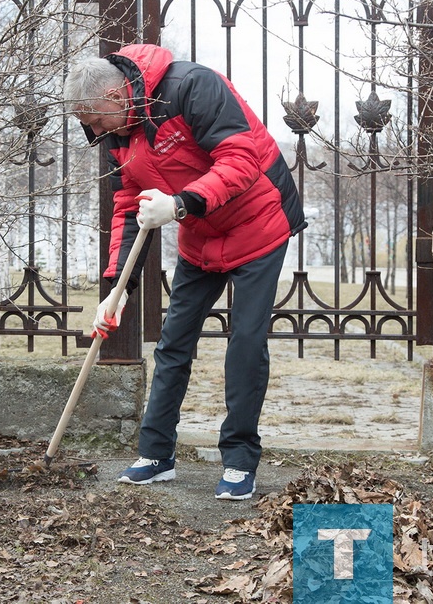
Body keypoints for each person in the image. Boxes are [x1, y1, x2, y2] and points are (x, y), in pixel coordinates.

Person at [63, 44, 306, 501]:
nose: (94, 133)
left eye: (95, 121)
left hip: (259, 221)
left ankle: (238, 461)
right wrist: (117, 288)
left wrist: (177, 205)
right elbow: (127, 207)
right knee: (174, 340)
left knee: (246, 342)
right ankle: (156, 455)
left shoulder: (191, 87)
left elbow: (240, 160)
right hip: (199, 232)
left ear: (116, 96)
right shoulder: (117, 133)